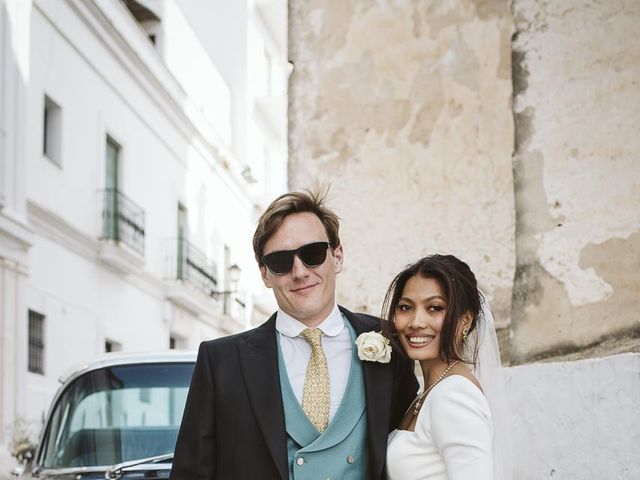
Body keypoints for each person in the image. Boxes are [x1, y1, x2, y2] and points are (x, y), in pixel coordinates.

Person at [170, 190, 418, 480]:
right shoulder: (221, 362)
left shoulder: (391, 342)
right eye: (280, 261)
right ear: (265, 274)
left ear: (337, 256)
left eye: (312, 253)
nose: (299, 272)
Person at [383, 254, 510, 480]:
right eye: (405, 307)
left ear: (466, 321)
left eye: (434, 308)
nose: (416, 322)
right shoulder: (431, 391)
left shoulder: (454, 395)